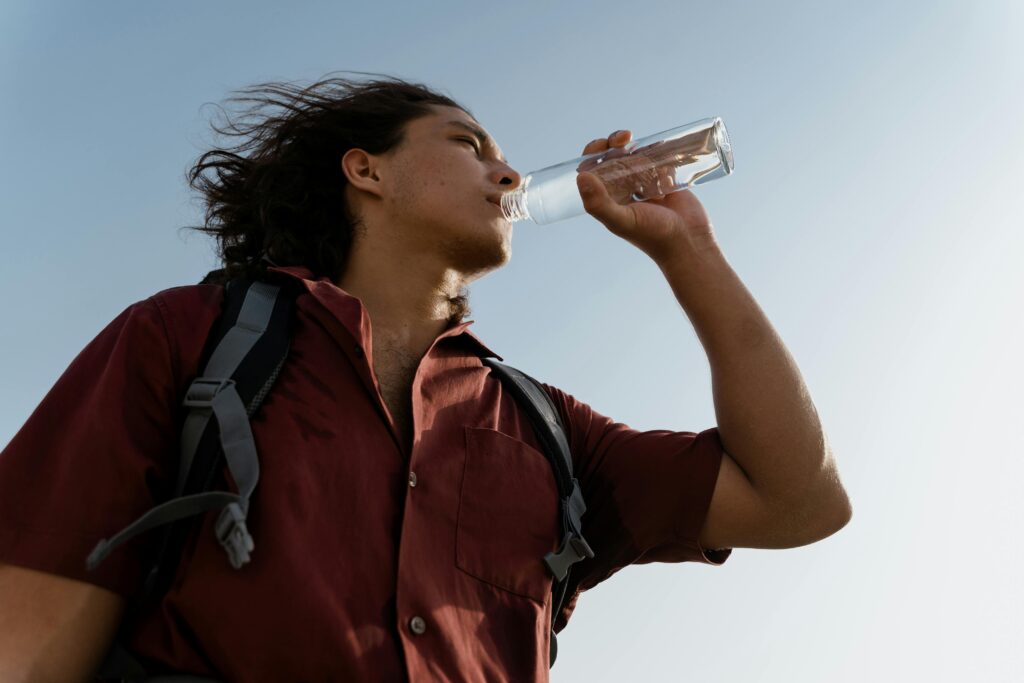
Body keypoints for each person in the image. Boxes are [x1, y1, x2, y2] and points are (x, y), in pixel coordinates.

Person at [0, 74, 852, 682]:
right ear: (367, 171)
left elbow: (800, 501)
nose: (511, 175)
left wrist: (688, 249)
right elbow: (32, 625)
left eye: (505, 158)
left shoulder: (546, 429)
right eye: (470, 145)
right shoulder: (192, 337)